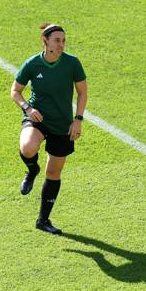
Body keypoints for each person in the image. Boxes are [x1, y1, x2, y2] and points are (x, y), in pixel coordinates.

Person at [10, 23, 87, 234]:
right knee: (28, 147)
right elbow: (15, 91)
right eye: (57, 40)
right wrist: (27, 108)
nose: (61, 44)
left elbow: (82, 92)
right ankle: (32, 169)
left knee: (53, 172)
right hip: (38, 118)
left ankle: (43, 220)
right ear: (45, 41)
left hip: (63, 124)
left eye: (63, 40)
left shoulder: (72, 64)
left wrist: (78, 119)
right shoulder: (32, 64)